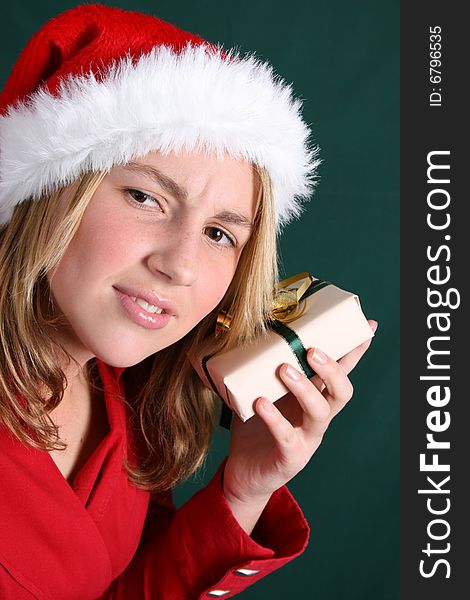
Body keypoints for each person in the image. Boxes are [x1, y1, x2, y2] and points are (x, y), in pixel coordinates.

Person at [0, 4, 377, 599]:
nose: (178, 265)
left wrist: (243, 492)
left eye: (220, 234)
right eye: (146, 197)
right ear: (50, 190)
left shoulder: (131, 396)